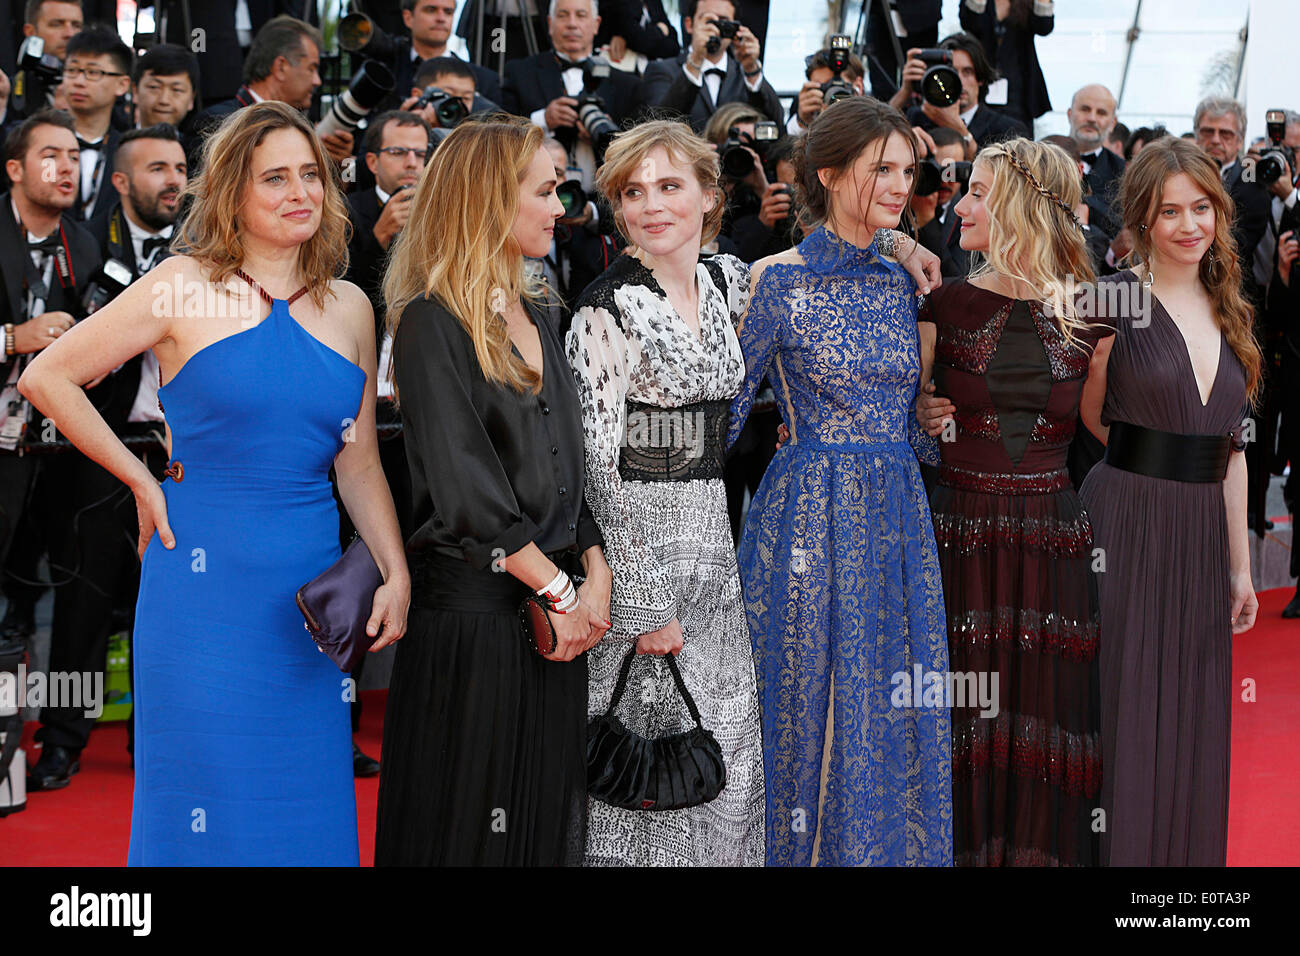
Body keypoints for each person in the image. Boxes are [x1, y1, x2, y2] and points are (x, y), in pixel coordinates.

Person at [18, 100, 411, 864]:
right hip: (199, 587)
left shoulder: (352, 307)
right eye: (276, 179)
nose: (301, 192)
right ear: (233, 192)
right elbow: (49, 377)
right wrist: (139, 478)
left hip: (307, 596)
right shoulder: (179, 286)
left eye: (311, 176)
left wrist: (393, 568)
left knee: (304, 793)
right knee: (200, 788)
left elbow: (357, 460)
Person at [375, 115, 610, 866]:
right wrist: (565, 596)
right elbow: (466, 490)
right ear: (487, 198)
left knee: (540, 823)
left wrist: (594, 571)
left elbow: (571, 465)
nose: (558, 208)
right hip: (474, 624)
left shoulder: (543, 308)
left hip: (552, 619)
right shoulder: (428, 322)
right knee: (467, 829)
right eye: (543, 191)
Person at [728, 96, 950, 866]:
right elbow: (728, 414)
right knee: (805, 700)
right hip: (808, 520)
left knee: (887, 700)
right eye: (878, 169)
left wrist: (929, 418)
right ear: (829, 173)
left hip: (897, 517)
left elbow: (904, 418)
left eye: (906, 169)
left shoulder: (904, 277)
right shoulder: (774, 279)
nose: (898, 182)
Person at [566, 119, 764, 866]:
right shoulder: (604, 307)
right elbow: (595, 466)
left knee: (725, 743)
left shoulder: (730, 279)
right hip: (639, 549)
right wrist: (643, 603)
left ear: (710, 196)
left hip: (715, 536)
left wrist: (902, 245)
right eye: (632, 191)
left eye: (670, 185)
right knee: (645, 767)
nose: (651, 205)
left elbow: (812, 268)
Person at [915, 138, 1106, 866]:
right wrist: (923, 416)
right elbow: (902, 412)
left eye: (979, 192)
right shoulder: (943, 304)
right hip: (955, 535)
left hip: (1051, 541)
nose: (960, 205)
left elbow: (1109, 429)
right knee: (958, 715)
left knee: (1042, 714)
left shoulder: (1093, 311)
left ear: (1024, 205)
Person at [1077, 136, 1260, 866]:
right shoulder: (1111, 295)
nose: (1190, 225)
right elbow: (1090, 418)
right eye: (1170, 212)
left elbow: (1234, 451)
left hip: (1200, 531)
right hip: (1125, 520)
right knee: (1124, 706)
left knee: (1192, 711)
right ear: (1142, 221)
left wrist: (1241, 568)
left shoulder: (1231, 304)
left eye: (1202, 208)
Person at [0, 110, 100, 786]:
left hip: (56, 454)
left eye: (75, 156)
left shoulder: (85, 246)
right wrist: (11, 339)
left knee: (79, 584)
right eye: (51, 156)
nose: (67, 167)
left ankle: (62, 739)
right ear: (14, 169)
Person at [500, 0, 643, 190]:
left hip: (603, 207)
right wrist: (542, 120)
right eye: (563, 15)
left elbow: (638, 154)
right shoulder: (519, 73)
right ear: (550, 24)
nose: (572, 24)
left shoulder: (627, 85)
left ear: (596, 24)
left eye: (581, 15)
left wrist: (608, 135)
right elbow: (499, 136)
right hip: (534, 197)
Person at [194, 16, 353, 167]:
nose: (317, 81)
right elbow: (204, 192)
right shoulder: (218, 122)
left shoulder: (306, 130)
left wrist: (339, 165)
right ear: (281, 67)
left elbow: (331, 193)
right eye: (311, 69)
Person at [642, 0, 783, 134]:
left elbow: (777, 125)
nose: (715, 29)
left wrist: (752, 69)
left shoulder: (745, 75)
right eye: (709, 21)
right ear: (689, 25)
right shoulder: (661, 70)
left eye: (724, 22)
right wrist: (695, 60)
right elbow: (656, 127)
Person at [893, 32, 1027, 160]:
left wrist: (961, 132)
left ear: (980, 78)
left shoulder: (1008, 130)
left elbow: (1007, 179)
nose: (958, 81)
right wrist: (905, 91)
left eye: (967, 72)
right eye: (951, 72)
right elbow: (875, 134)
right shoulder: (916, 117)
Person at [61, 25, 132, 222]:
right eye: (72, 70)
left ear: (122, 84)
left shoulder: (127, 149)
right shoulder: (41, 140)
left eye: (93, 72)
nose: (79, 81)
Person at [959, 0, 1055, 131]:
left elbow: (1044, 26)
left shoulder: (1026, 3)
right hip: (982, 81)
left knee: (1019, 139)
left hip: (1019, 86)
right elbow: (971, 22)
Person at [1068, 84, 1125, 240]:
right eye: (1085, 109)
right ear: (1069, 114)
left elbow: (1116, 223)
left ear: (1112, 123)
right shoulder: (1040, 158)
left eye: (1101, 113)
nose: (1092, 118)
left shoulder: (1122, 172)